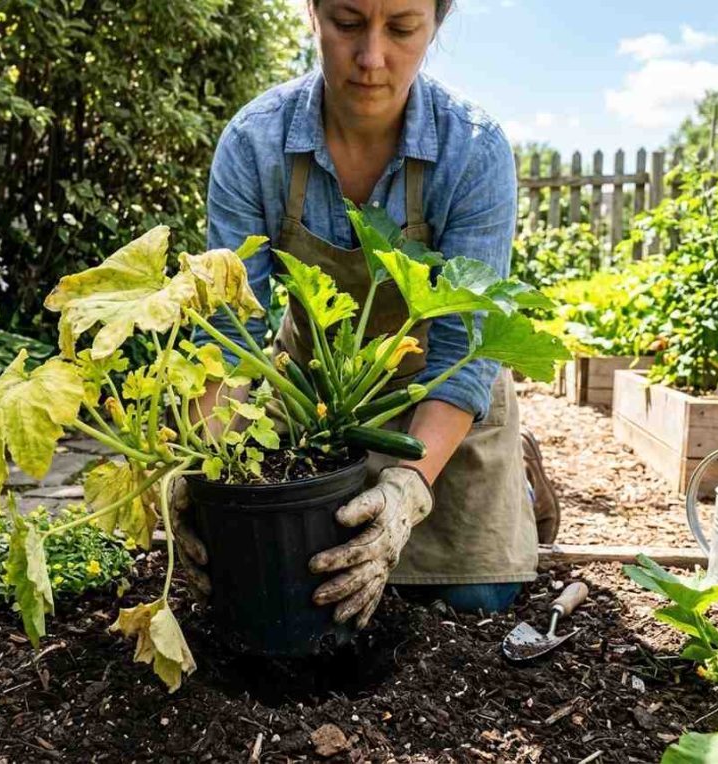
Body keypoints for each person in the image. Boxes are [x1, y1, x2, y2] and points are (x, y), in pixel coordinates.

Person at [174, 0, 559, 628]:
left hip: (437, 389)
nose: (372, 58)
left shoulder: (474, 148)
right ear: (313, 14)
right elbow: (228, 332)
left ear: (437, 23)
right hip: (310, 393)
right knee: (272, 575)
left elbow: (467, 342)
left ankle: (517, 477)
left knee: (475, 600)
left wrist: (409, 489)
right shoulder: (254, 142)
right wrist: (204, 465)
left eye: (402, 29)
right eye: (348, 24)